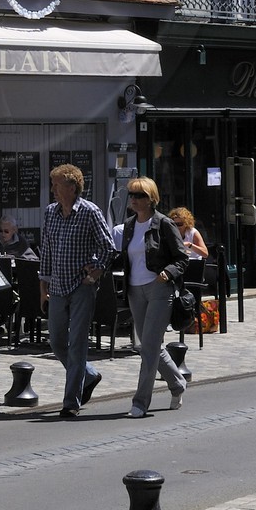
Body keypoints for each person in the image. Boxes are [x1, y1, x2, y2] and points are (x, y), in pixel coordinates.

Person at [39, 164, 114, 418]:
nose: (53, 190)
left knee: (77, 344)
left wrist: (95, 273)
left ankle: (71, 401)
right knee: (57, 341)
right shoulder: (50, 212)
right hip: (58, 286)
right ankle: (90, 375)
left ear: (72, 187)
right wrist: (43, 286)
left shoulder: (90, 212)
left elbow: (108, 247)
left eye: (56, 185)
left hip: (82, 287)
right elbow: (47, 250)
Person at [121, 177, 190, 418]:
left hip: (159, 288)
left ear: (151, 199)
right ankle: (177, 383)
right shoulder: (129, 225)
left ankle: (140, 402)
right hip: (134, 289)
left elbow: (182, 259)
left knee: (149, 347)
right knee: (148, 346)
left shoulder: (164, 223)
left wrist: (167, 272)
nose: (134, 199)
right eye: (131, 194)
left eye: (139, 195)